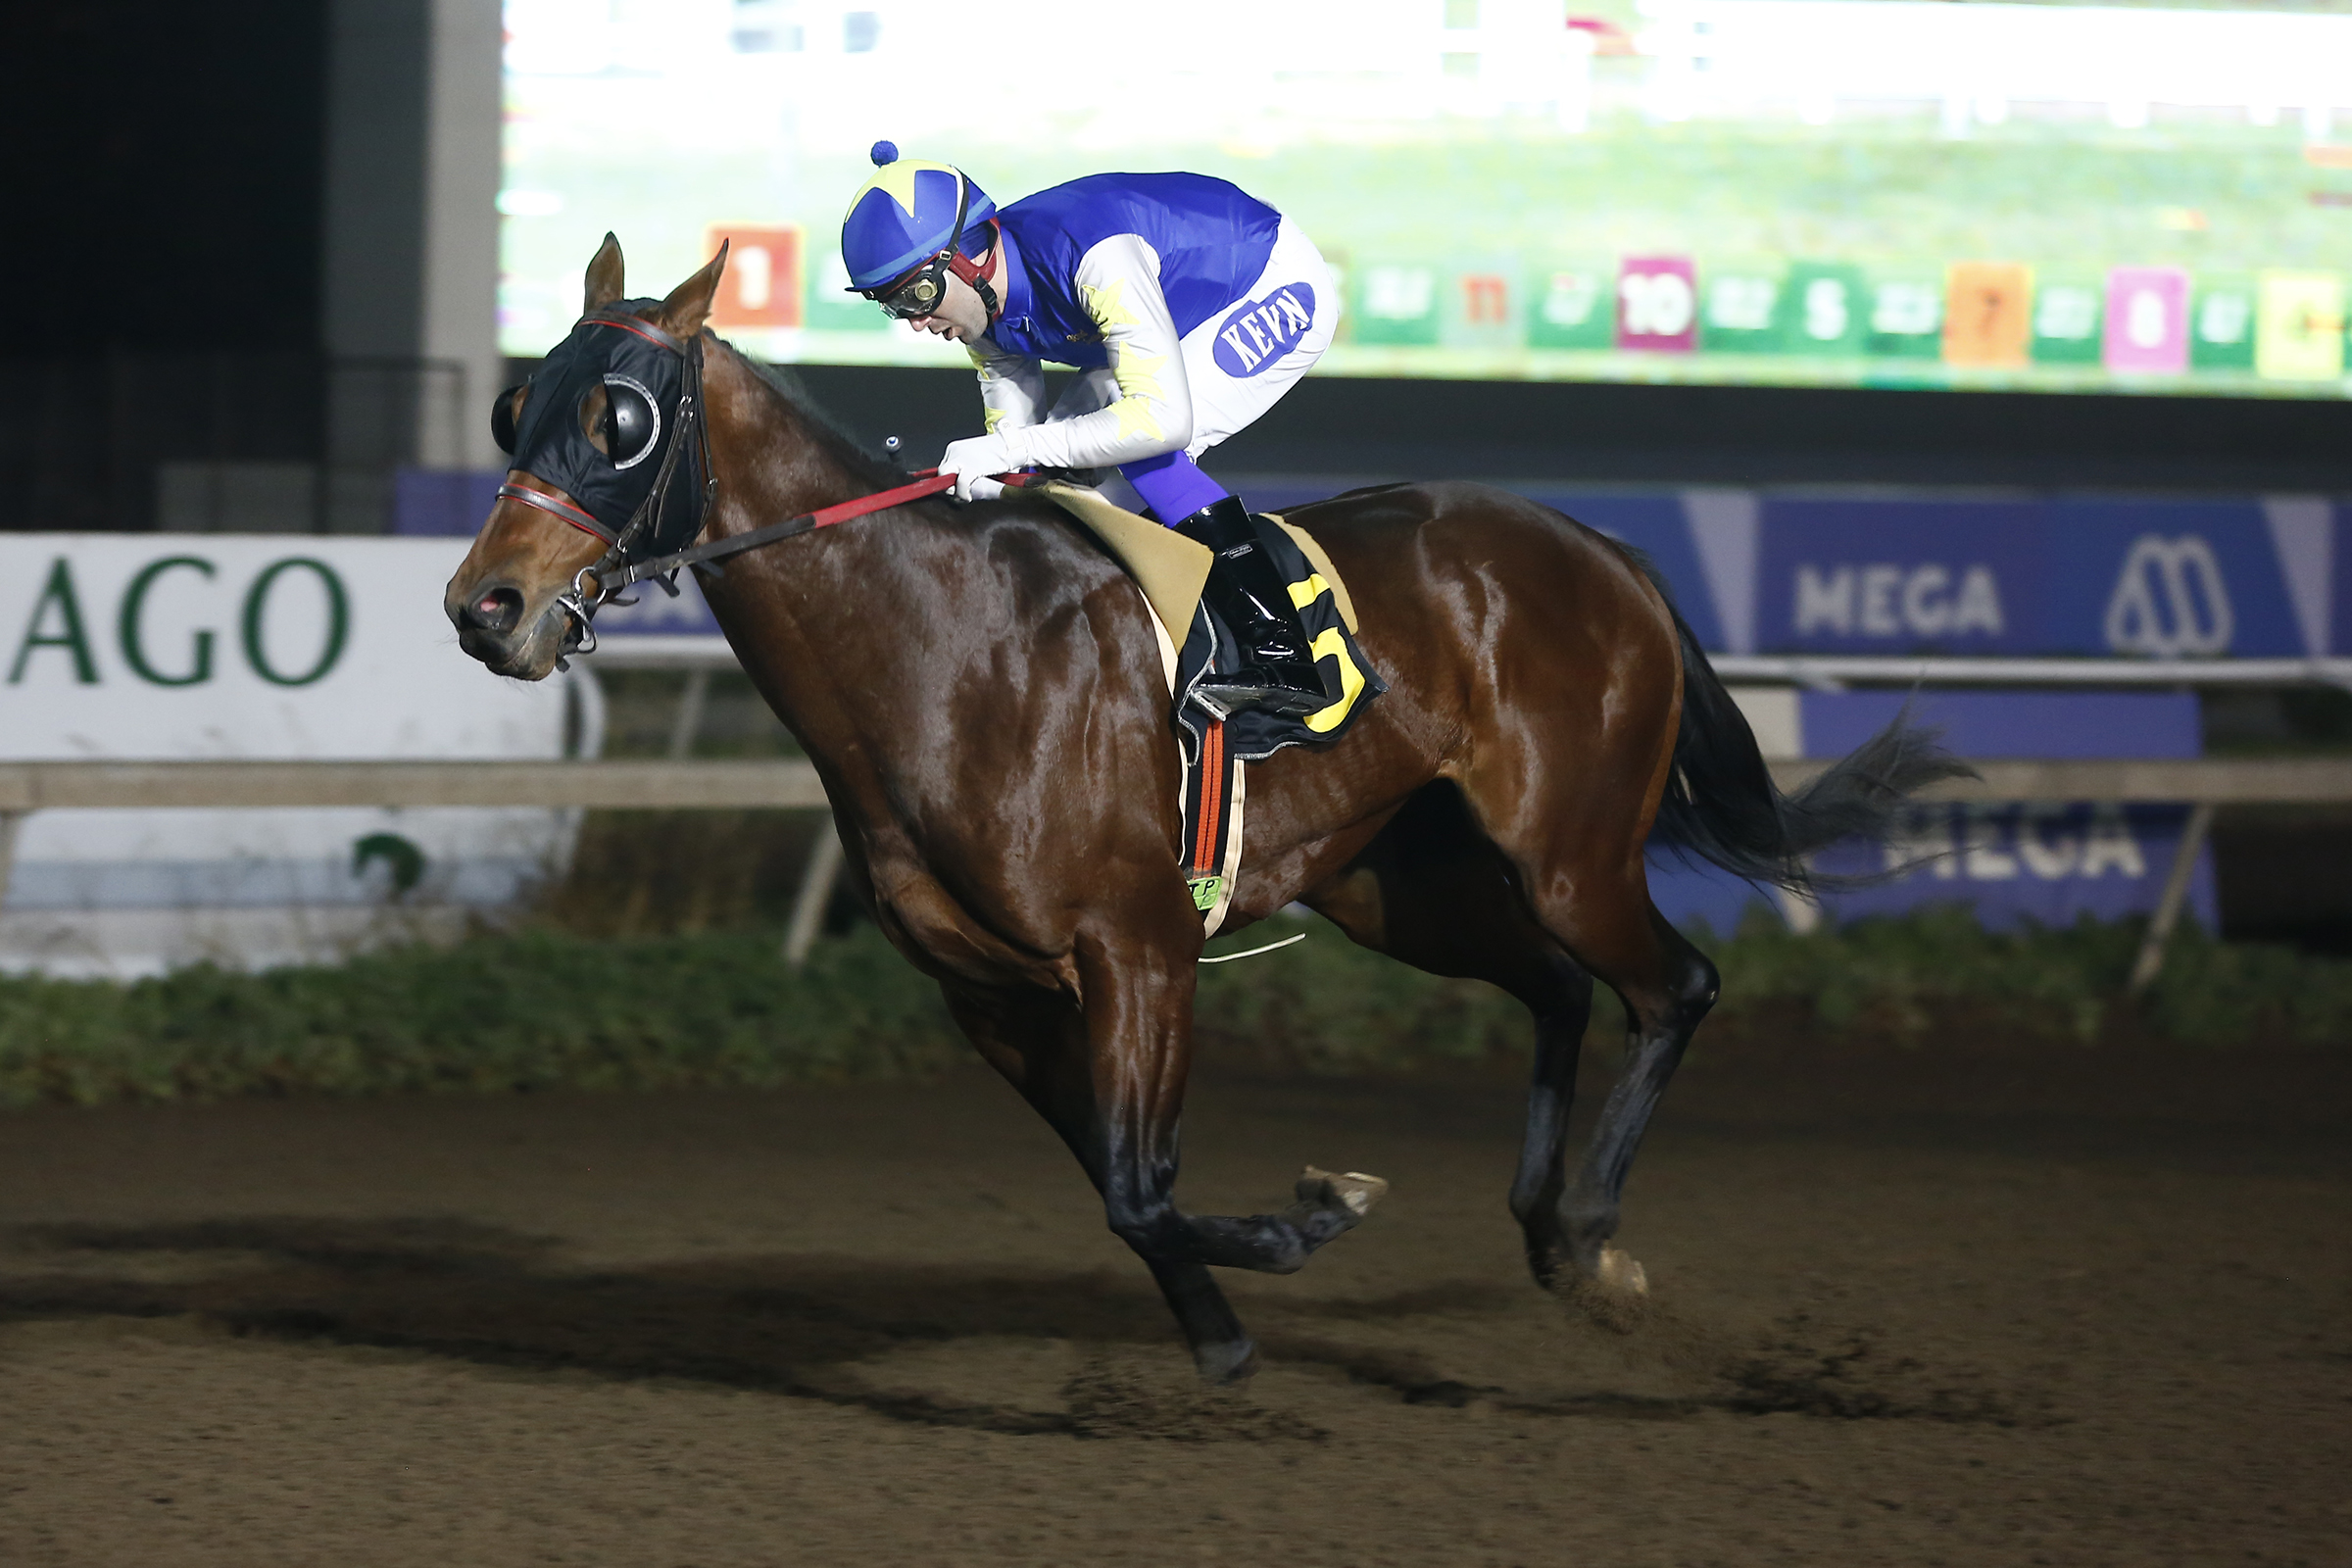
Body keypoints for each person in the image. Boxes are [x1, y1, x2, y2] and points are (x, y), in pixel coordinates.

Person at [839, 143, 1341, 716]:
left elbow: (1160, 421)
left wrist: (1007, 452)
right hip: (1176, 297)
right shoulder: (981, 311)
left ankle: (1283, 656)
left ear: (968, 260)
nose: (916, 323)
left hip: (1269, 279)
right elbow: (1020, 465)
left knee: (1145, 448)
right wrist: (985, 480)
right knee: (1055, 465)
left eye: (919, 296)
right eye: (894, 306)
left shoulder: (1094, 258)